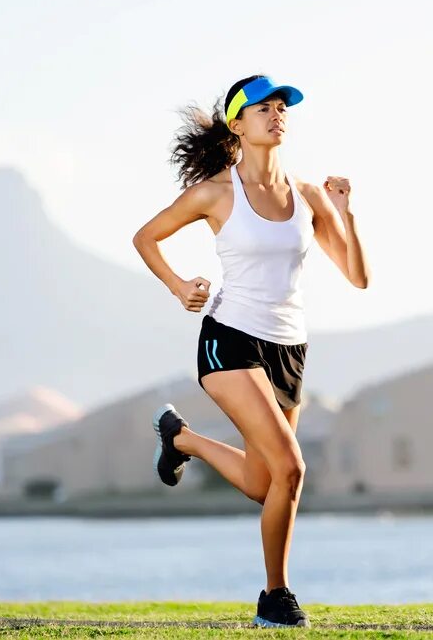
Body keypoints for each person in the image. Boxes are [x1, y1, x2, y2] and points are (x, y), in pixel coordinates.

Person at [132, 74, 370, 627]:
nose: (277, 113)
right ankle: (275, 597)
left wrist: (345, 212)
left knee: (267, 484)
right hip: (229, 341)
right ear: (238, 124)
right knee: (291, 468)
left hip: (289, 349)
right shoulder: (215, 192)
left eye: (283, 106)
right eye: (263, 107)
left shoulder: (308, 195)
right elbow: (146, 236)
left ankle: (181, 438)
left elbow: (357, 276)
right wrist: (178, 287)